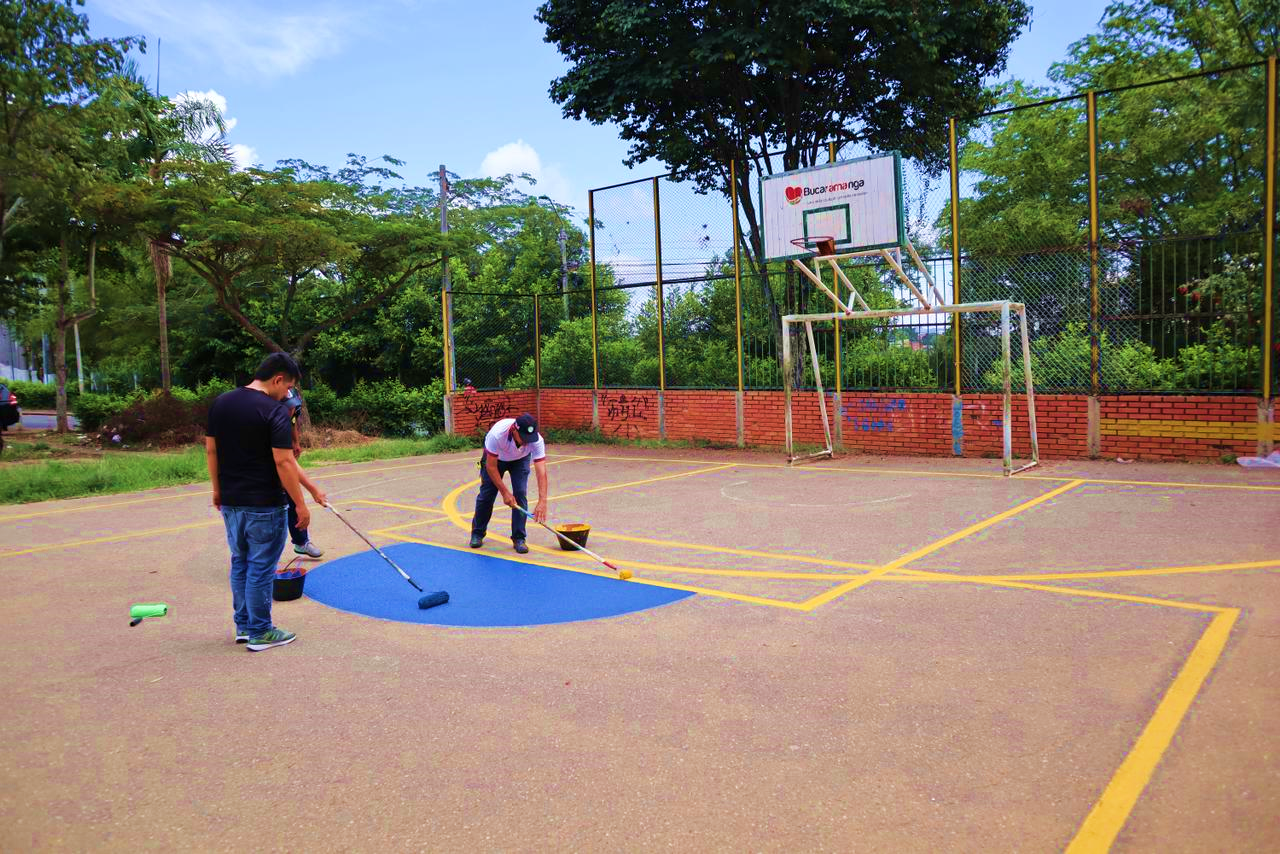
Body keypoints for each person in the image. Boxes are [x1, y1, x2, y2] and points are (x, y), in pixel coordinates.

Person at [205, 353, 324, 652]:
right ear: (277, 379)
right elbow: (283, 461)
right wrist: (300, 504)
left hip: (231, 502)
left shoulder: (221, 403)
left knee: (240, 563)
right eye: (288, 388)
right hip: (264, 504)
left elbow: (211, 452)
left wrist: (217, 490)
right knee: (260, 568)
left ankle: (244, 626)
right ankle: (261, 631)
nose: (287, 395)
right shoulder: (274, 412)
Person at [469, 413, 548, 554]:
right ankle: (477, 533)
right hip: (496, 460)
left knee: (520, 494)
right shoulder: (497, 435)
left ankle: (519, 538)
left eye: (529, 438)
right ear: (514, 430)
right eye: (523, 437)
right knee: (487, 495)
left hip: (520, 460)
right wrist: (505, 492)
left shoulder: (536, 440)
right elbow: (491, 467)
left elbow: (541, 471)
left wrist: (542, 501)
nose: (526, 442)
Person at [283, 386, 324, 558]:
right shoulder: (263, 406)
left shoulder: (291, 395)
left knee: (292, 495)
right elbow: (285, 462)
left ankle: (301, 542)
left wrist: (295, 441)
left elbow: (293, 419)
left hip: (283, 451)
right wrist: (313, 490)